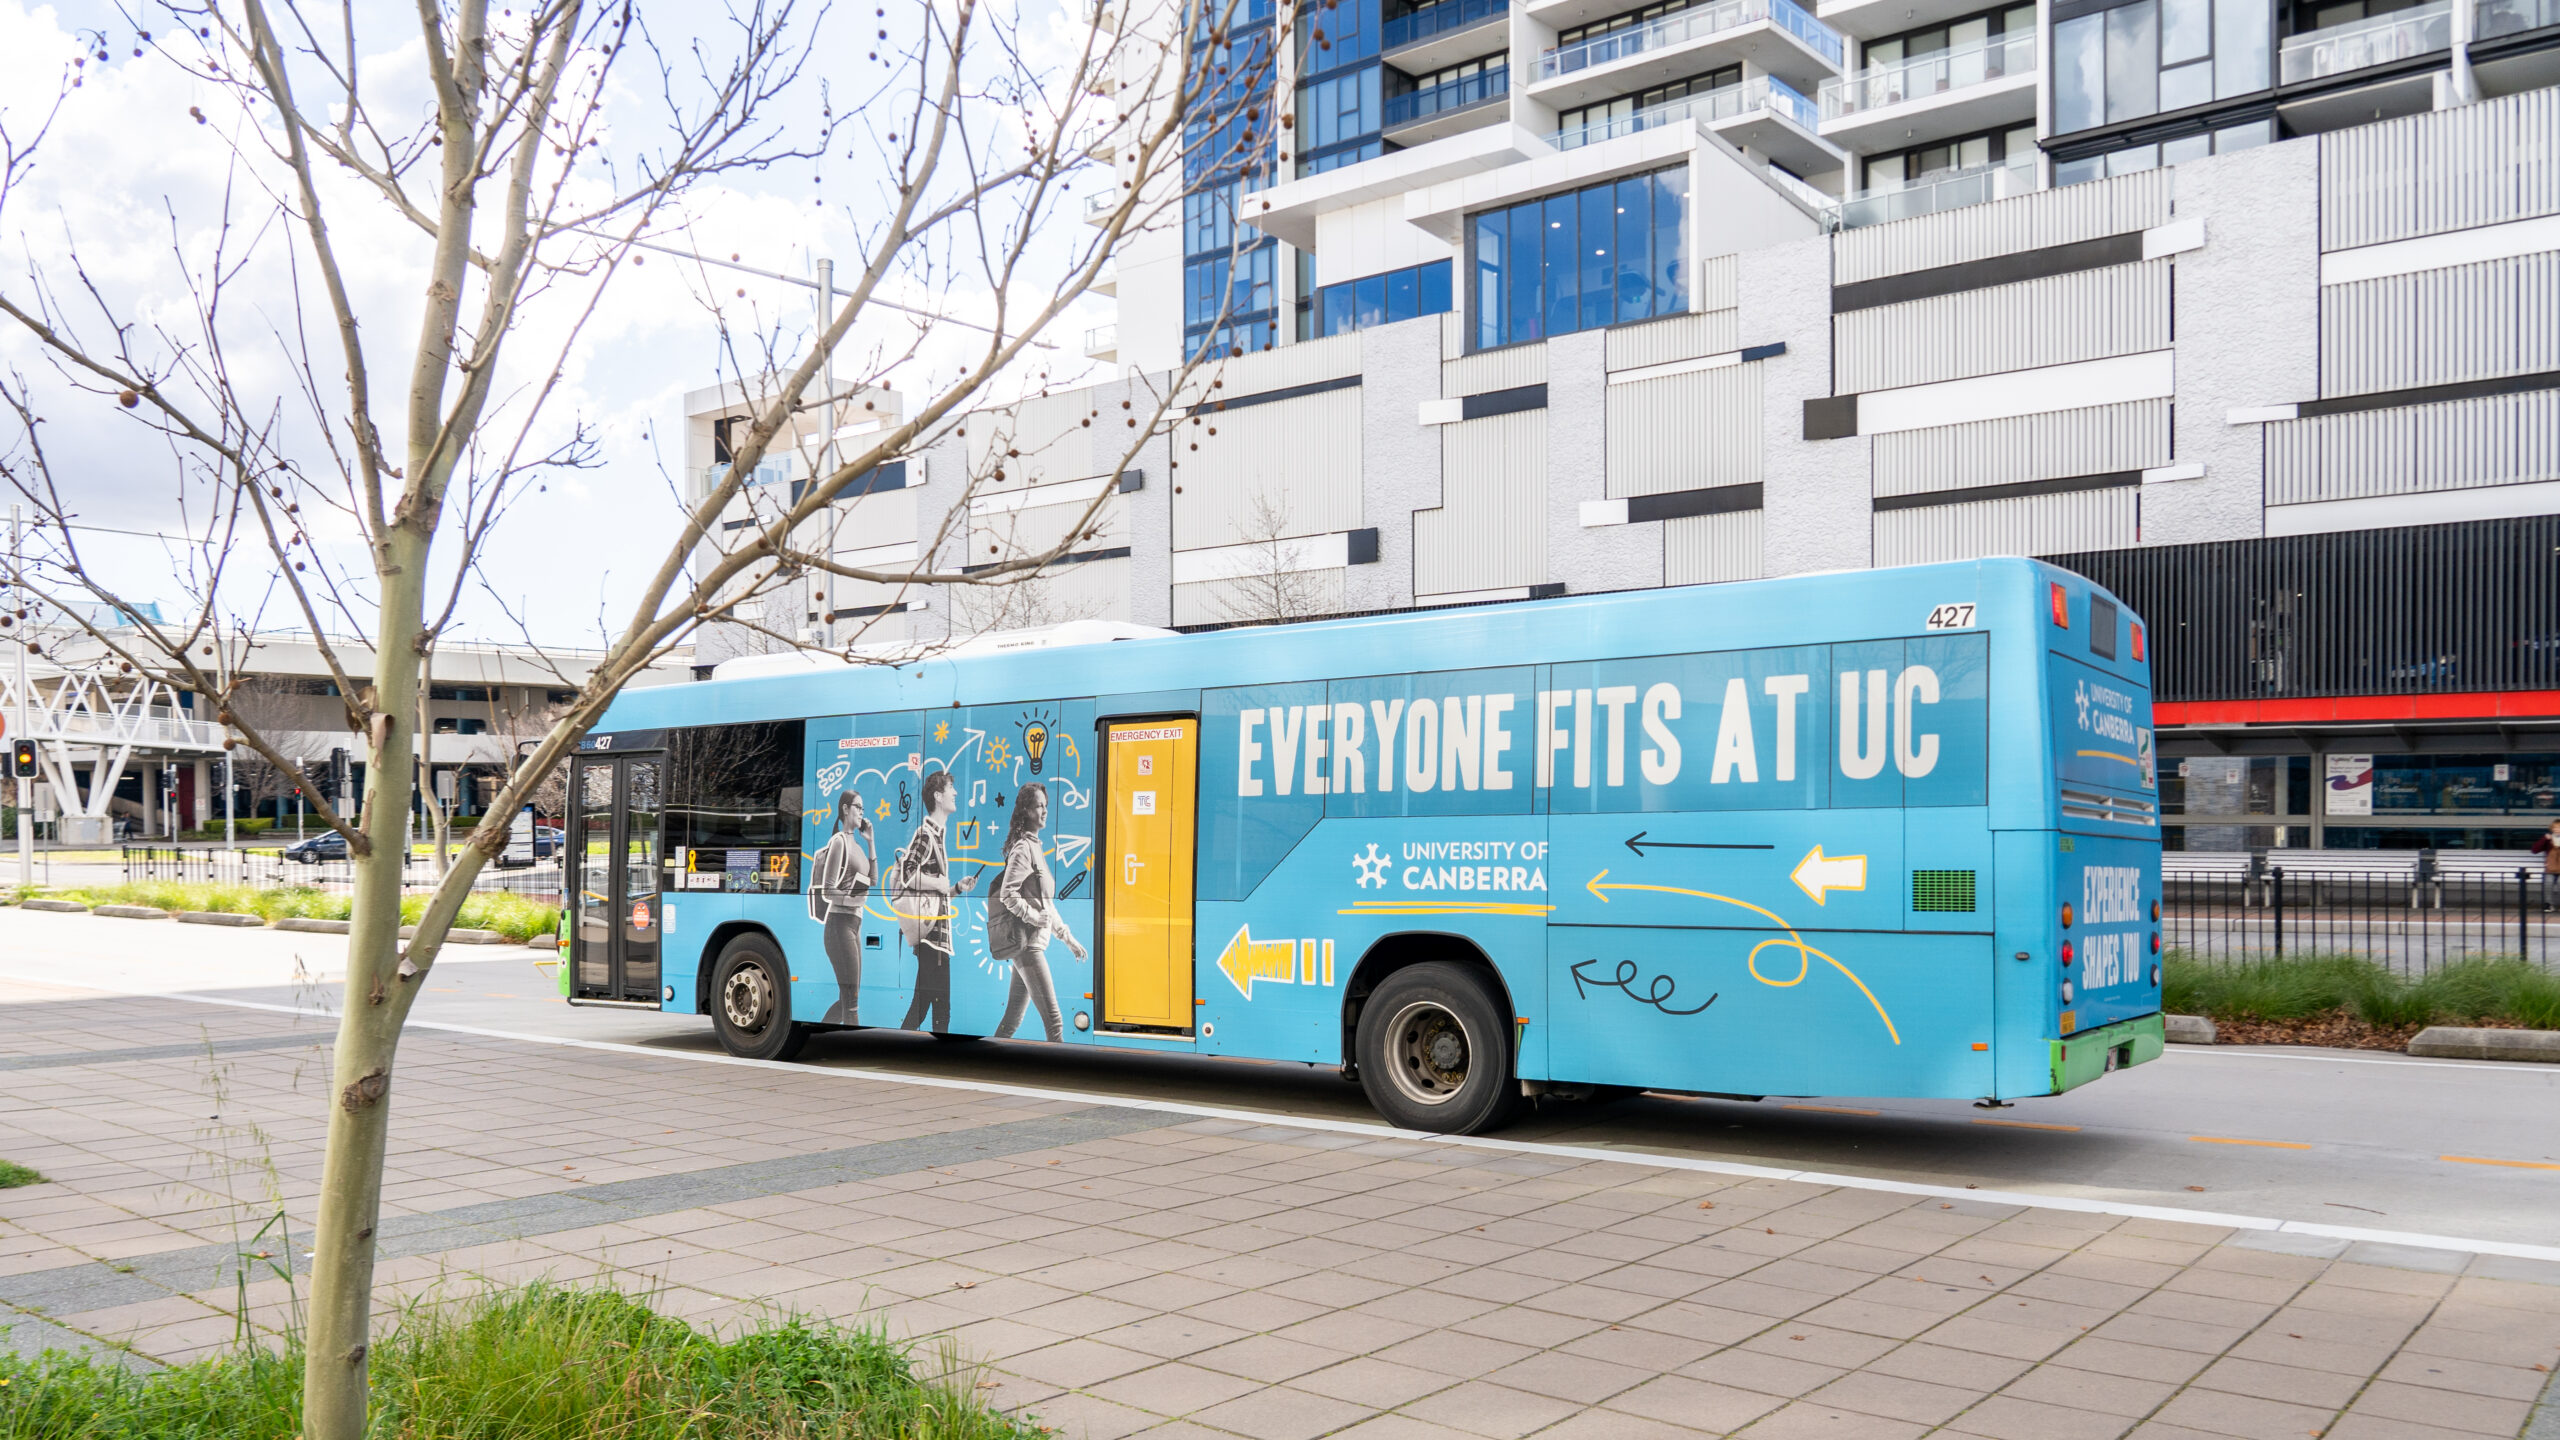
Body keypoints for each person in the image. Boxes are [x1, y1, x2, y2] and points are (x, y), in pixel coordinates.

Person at [991, 782, 1085, 1042]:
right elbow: (1007, 894)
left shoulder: (1035, 848)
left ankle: (992, 1066)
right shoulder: (1023, 849)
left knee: (1012, 1019)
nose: (1044, 811)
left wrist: (1068, 939)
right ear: (1025, 811)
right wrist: (1033, 917)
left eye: (1046, 805)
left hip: (1031, 945)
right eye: (1038, 806)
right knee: (1054, 1021)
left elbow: (1046, 905)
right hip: (1028, 946)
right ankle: (1064, 1078)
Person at [896, 769, 977, 1032]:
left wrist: (955, 888)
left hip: (937, 936)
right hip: (932, 937)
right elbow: (909, 872)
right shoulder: (926, 834)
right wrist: (938, 883)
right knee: (933, 1004)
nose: (955, 793)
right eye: (951, 788)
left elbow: (936, 891)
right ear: (938, 796)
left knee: (929, 1003)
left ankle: (907, 1047)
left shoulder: (938, 837)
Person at [808, 789, 875, 1025]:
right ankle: (856, 1046)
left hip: (854, 924)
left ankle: (822, 1029)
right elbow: (827, 889)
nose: (862, 813)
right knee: (851, 998)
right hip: (839, 925)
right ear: (845, 809)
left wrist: (871, 842)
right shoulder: (838, 842)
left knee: (849, 995)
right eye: (858, 807)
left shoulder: (856, 845)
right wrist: (851, 900)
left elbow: (873, 880)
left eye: (863, 808)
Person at [2535, 817, 2560, 911]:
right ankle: (2548, 904)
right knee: (2548, 883)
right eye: (2555, 828)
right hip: (2551, 867)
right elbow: (2535, 850)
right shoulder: (2548, 839)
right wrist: (2544, 839)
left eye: (2559, 827)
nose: (2557, 830)